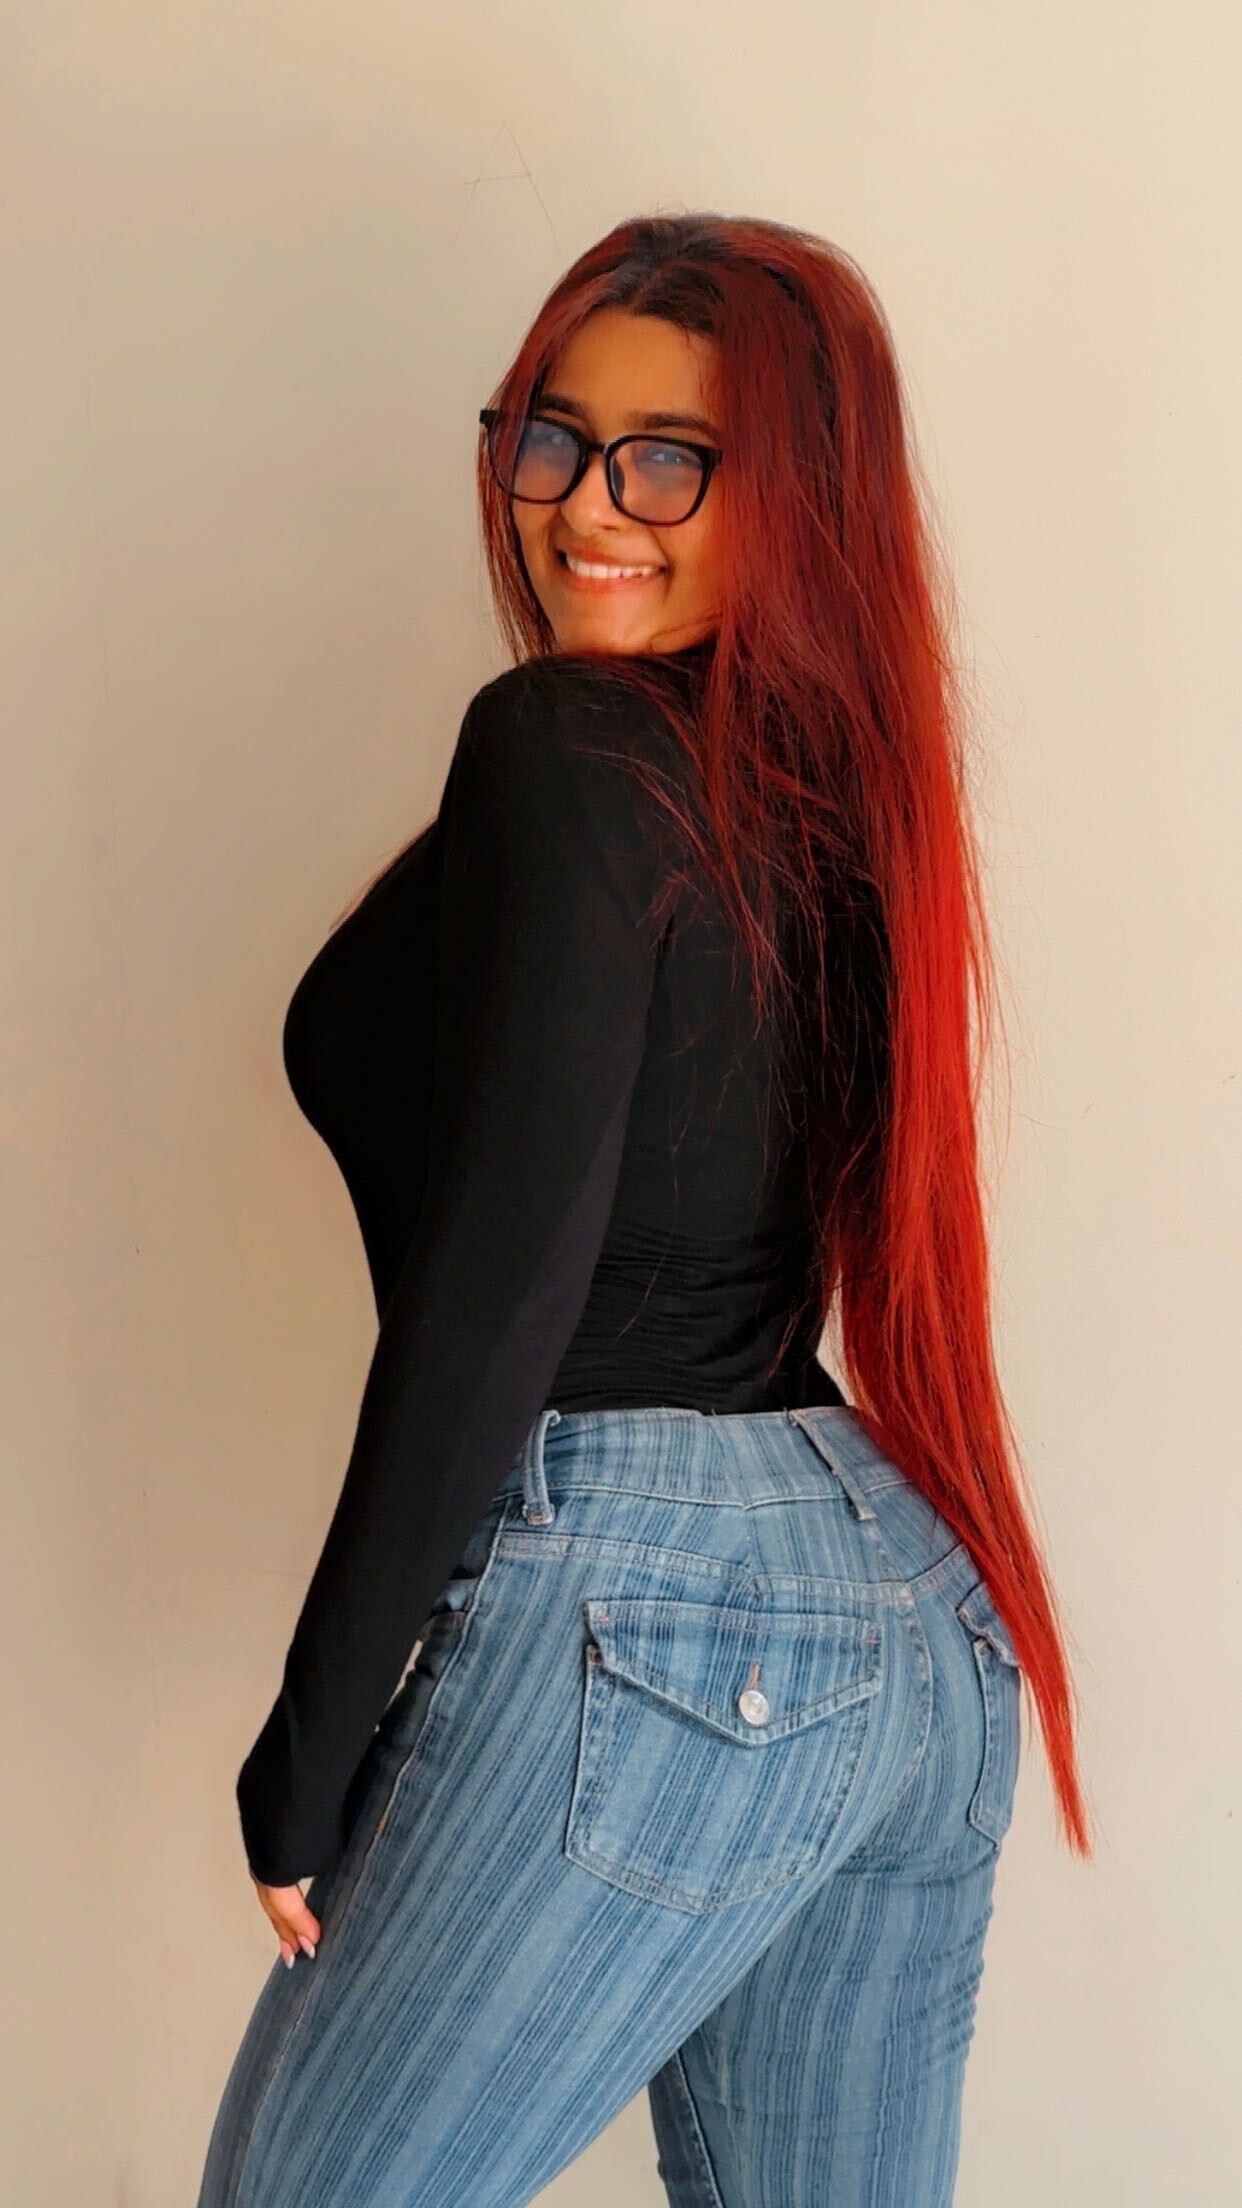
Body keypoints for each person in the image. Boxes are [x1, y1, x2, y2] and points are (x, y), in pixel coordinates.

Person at [196, 213, 1091, 2208]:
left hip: (664, 1604)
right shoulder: (824, 791)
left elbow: (506, 1280)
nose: (587, 507)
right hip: (897, 1606)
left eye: (671, 458)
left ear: (801, 497)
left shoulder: (564, 747)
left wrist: (311, 1745)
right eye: (552, 436)